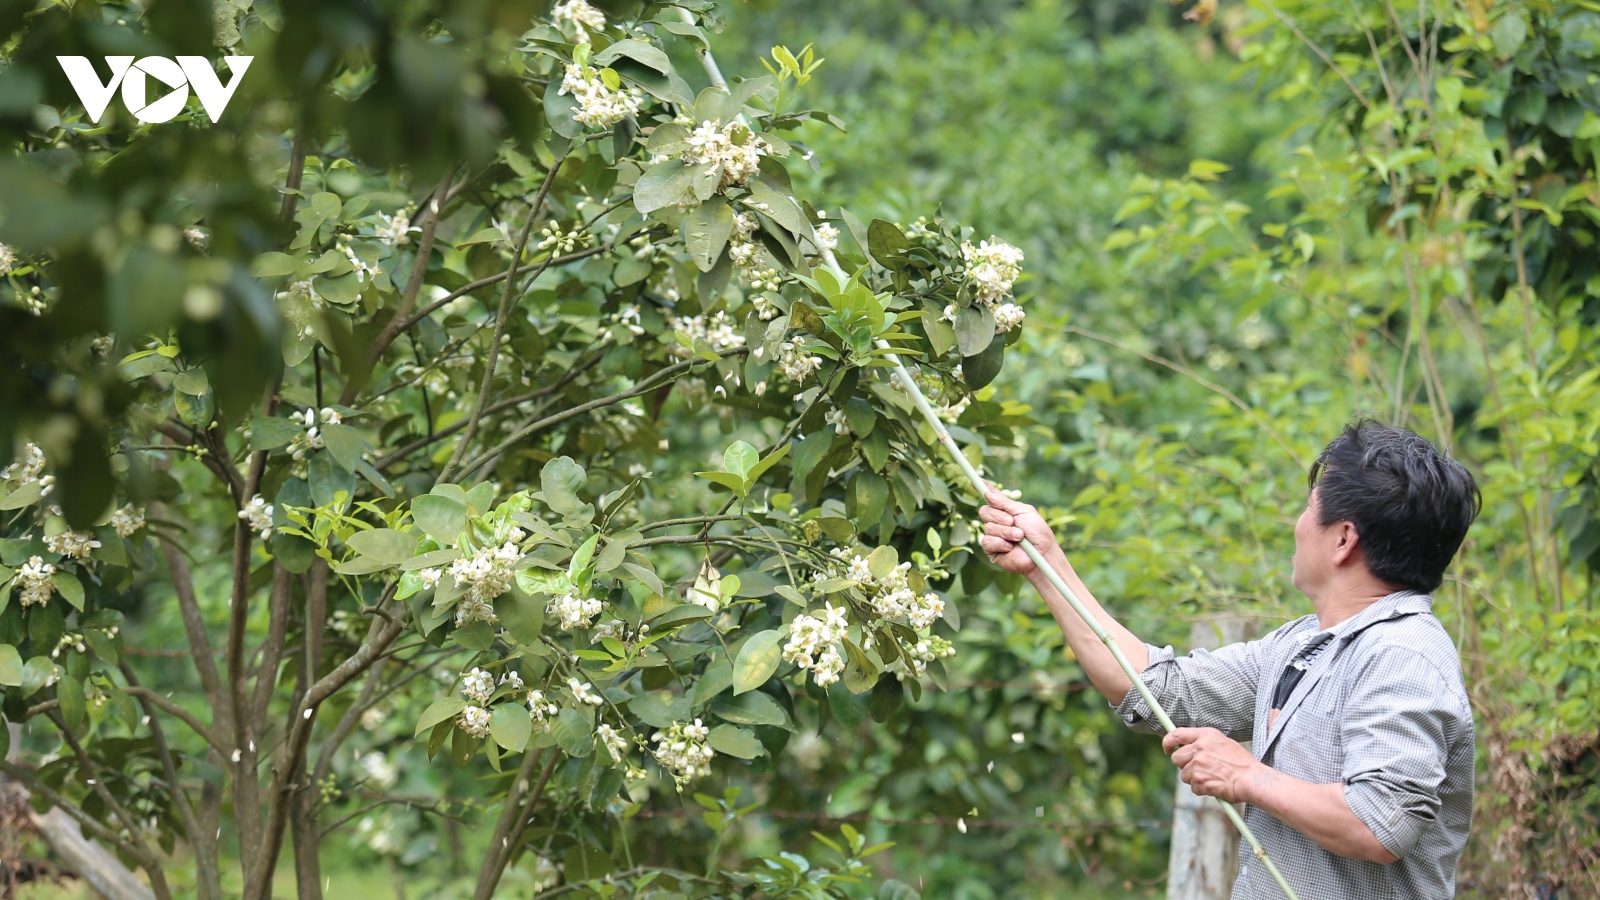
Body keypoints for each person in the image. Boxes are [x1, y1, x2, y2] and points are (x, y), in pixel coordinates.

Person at [978, 420, 1480, 899]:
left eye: (1308, 508)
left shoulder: (1404, 655)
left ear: (1343, 539)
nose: (1298, 524)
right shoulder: (1303, 644)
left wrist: (1247, 776)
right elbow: (1157, 689)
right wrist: (1046, 565)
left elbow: (1380, 822)